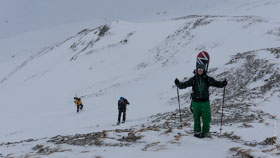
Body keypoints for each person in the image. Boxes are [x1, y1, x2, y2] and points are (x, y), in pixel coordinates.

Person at [174, 62, 227, 138]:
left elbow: (216, 83)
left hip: (205, 102)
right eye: (198, 69)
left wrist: (222, 84)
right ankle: (197, 132)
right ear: (197, 70)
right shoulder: (194, 79)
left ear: (204, 70)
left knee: (206, 118)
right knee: (196, 118)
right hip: (196, 102)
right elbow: (185, 84)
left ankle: (205, 132)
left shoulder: (207, 79)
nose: (200, 71)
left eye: (201, 69)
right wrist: (178, 84)